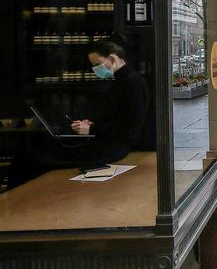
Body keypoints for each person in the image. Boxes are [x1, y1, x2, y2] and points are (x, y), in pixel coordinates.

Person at [8, 34, 149, 188]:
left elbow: (129, 128)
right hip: (105, 142)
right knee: (34, 146)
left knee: (34, 152)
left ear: (113, 59)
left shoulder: (133, 83)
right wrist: (91, 124)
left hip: (113, 148)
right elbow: (115, 117)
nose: (96, 70)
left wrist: (91, 128)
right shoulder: (122, 81)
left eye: (98, 64)